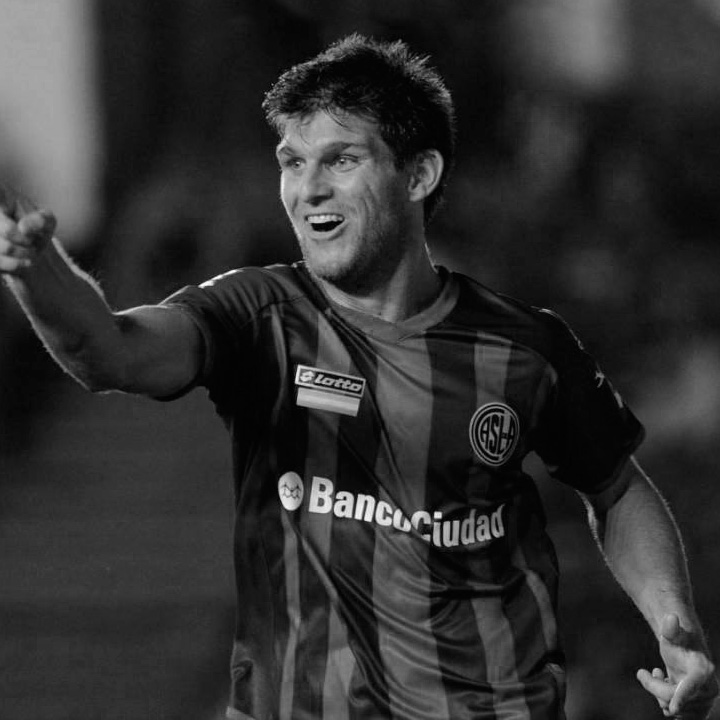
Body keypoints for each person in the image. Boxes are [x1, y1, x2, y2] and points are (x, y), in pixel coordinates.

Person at [0, 34, 717, 720]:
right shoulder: (259, 315)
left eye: (340, 160)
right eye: (292, 162)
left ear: (419, 174)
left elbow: (615, 487)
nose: (308, 189)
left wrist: (673, 621)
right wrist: (36, 271)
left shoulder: (524, 349)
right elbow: (110, 353)